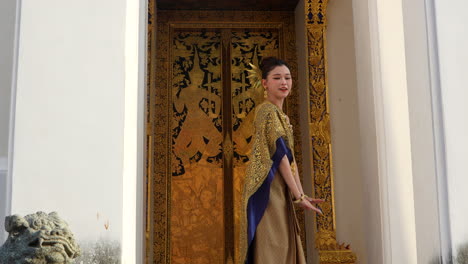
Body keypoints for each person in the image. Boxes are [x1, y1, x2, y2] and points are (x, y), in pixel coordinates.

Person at [239, 57, 324, 264]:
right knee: (275, 247)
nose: (284, 82)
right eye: (277, 78)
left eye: (287, 77)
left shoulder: (280, 115)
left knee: (282, 245)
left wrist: (300, 194)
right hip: (268, 189)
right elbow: (280, 155)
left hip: (279, 188)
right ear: (265, 83)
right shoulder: (267, 110)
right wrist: (298, 195)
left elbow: (290, 159)